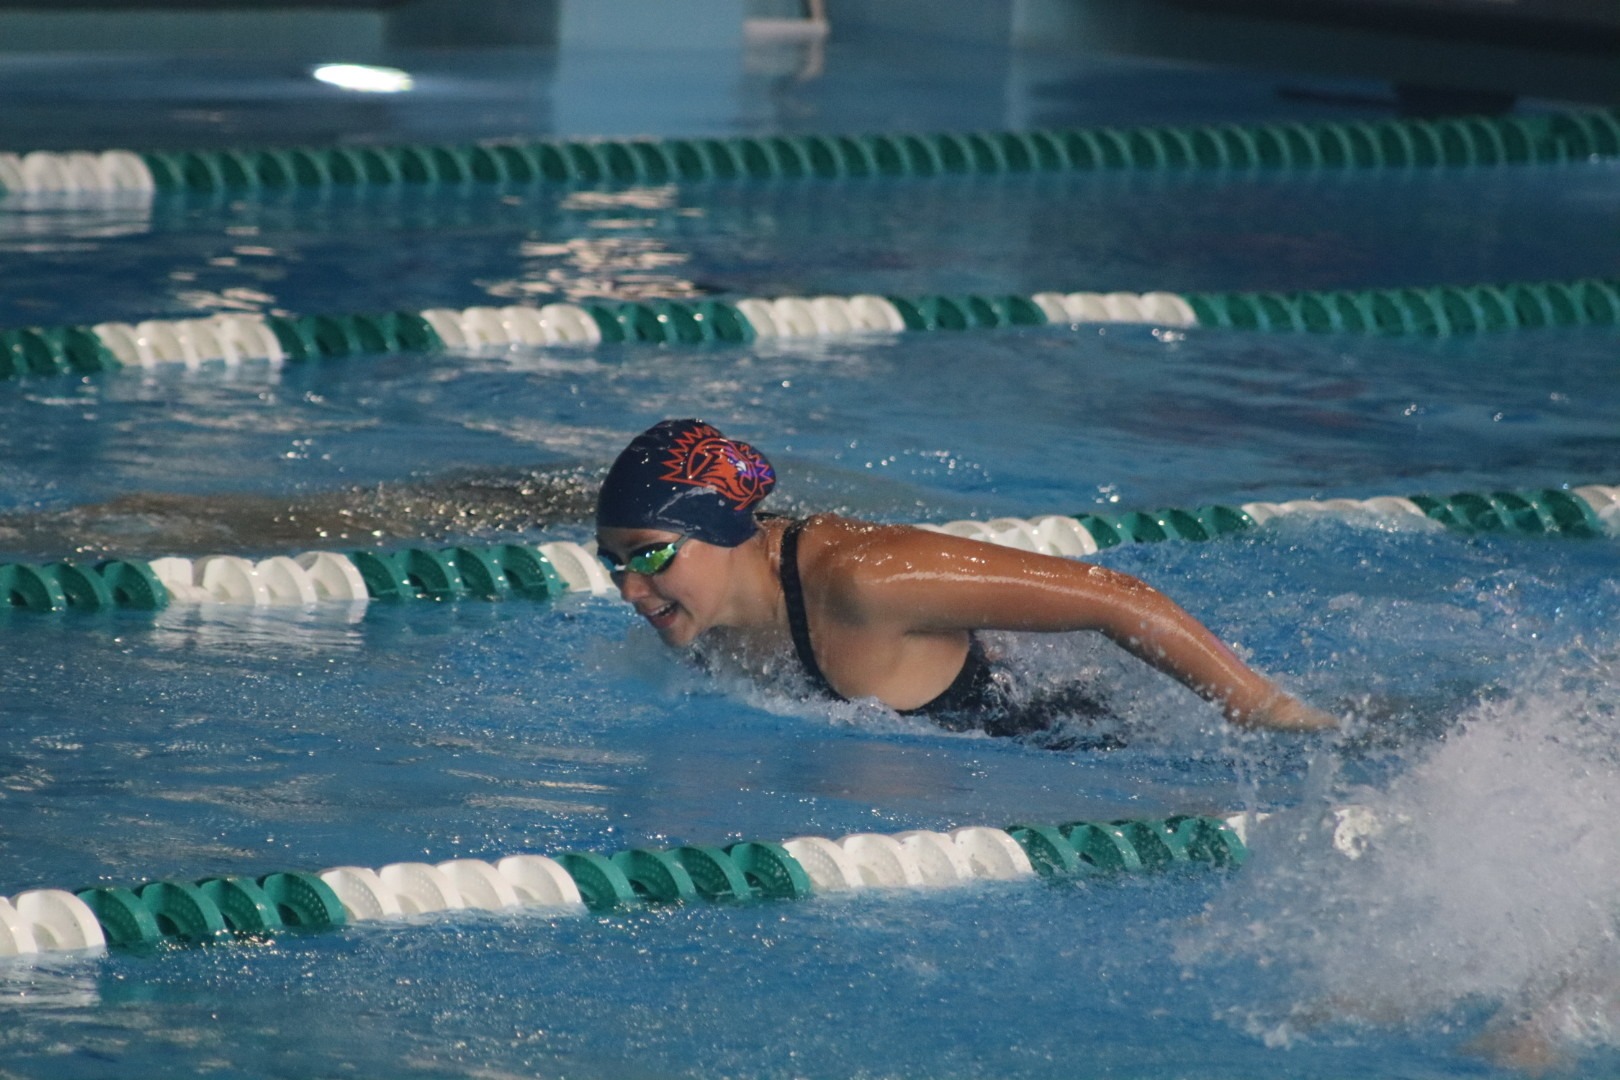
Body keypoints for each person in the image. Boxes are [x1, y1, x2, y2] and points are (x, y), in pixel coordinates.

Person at [595, 418, 1337, 735]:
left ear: (727, 532)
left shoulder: (866, 580)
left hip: (1078, 738)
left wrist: (1262, 711)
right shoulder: (698, 619)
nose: (631, 589)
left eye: (652, 555)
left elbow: (1115, 597)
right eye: (614, 564)